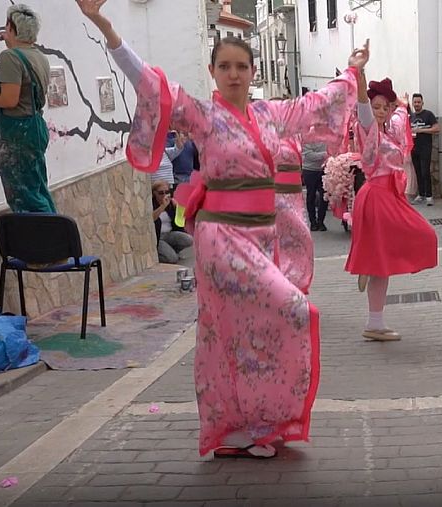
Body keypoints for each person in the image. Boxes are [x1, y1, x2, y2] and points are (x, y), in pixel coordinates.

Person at [76, 0, 364, 459]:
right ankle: (248, 423)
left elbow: (316, 103)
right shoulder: (202, 117)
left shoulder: (270, 115)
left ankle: (244, 425)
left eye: (241, 66)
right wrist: (106, 27)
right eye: (225, 66)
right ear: (213, 72)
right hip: (222, 241)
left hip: (261, 237)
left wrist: (350, 74)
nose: (234, 74)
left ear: (252, 72)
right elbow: (152, 83)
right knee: (286, 309)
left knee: (247, 331)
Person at [346, 78, 438, 341]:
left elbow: (399, 115)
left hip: (389, 195)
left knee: (386, 260)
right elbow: (364, 107)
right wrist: (361, 78)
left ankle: (375, 322)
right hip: (377, 195)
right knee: (422, 235)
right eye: (377, 107)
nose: (381, 111)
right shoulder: (367, 130)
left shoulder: (389, 131)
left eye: (384, 107)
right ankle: (373, 316)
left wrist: (400, 103)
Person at [0, 4, 55, 213]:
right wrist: (12, 43)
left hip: (18, 136)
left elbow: (9, 99)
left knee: (25, 199)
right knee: (37, 190)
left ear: (14, 29)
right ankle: (56, 235)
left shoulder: (10, 57)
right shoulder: (39, 56)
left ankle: (41, 241)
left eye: (7, 27)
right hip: (34, 129)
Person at [273, 136, 316, 294]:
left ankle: (295, 287)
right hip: (277, 198)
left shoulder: (296, 134)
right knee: (281, 243)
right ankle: (283, 288)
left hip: (295, 197)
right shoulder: (265, 129)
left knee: (302, 242)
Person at [152, 181, 193, 264]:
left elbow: (182, 219)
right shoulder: (152, 204)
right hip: (158, 237)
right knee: (172, 259)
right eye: (160, 193)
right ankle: (161, 254)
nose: (164, 195)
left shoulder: (171, 203)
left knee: (188, 239)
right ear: (155, 193)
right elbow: (152, 218)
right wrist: (162, 206)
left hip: (169, 234)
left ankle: (170, 251)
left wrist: (177, 207)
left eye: (167, 192)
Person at [410, 93, 439, 206]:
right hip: (414, 148)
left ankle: (429, 196)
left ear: (422, 103)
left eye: (418, 102)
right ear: (413, 103)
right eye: (415, 102)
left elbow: (437, 128)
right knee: (417, 171)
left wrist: (421, 130)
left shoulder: (428, 115)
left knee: (425, 171)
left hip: (425, 147)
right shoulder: (410, 117)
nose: (417, 104)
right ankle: (421, 194)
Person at [302, 141, 329, 232]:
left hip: (324, 169)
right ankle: (313, 222)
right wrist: (325, 154)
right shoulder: (308, 137)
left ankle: (321, 221)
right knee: (311, 196)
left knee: (325, 196)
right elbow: (309, 156)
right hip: (309, 170)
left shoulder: (327, 136)